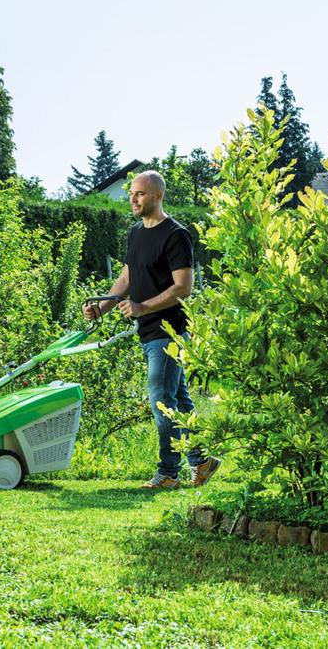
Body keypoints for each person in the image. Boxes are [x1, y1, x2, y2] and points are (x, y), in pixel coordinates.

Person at [82, 171, 220, 489]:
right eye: (132, 193)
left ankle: (169, 473)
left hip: (169, 332)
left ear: (158, 196)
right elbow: (127, 279)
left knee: (161, 402)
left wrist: (143, 307)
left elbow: (183, 287)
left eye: (140, 193)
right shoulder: (136, 234)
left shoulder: (176, 235)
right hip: (148, 332)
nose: (133, 198)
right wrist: (101, 307)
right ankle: (202, 462)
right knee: (178, 401)